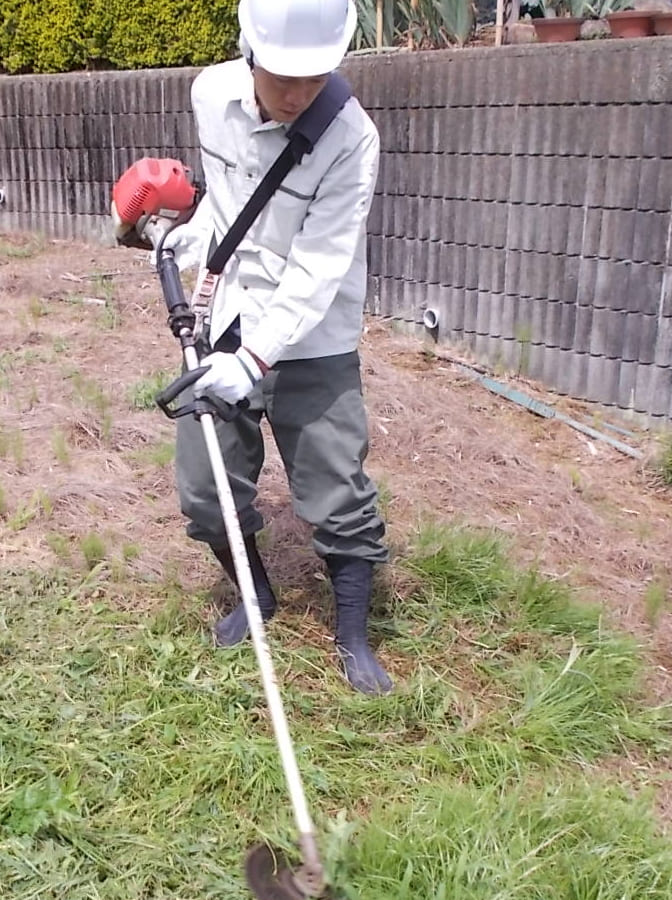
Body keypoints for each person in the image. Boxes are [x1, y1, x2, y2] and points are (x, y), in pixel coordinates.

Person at [162, 0, 392, 696]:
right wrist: (185, 237)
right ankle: (255, 594)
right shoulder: (211, 95)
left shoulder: (351, 139)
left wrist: (254, 360)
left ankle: (353, 636)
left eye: (314, 78)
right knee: (205, 489)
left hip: (312, 336)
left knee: (338, 494)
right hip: (227, 315)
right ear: (249, 53)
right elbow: (230, 201)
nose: (297, 95)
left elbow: (318, 267)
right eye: (283, 77)